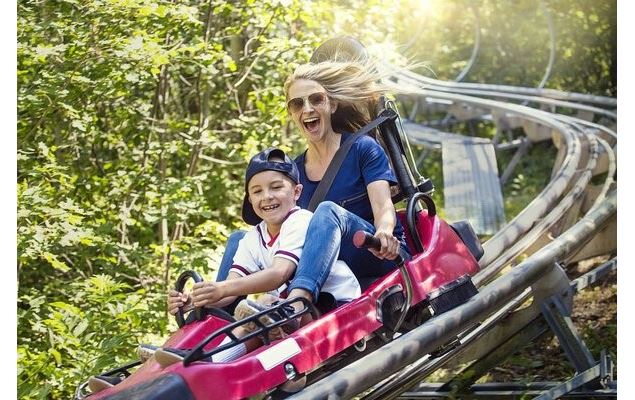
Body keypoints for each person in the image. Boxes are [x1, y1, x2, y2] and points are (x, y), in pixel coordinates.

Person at [159, 147, 360, 365]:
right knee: (257, 317)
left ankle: (213, 360)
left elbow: (279, 273)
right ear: (250, 200)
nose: (267, 197)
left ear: (296, 192)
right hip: (292, 309)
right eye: (257, 191)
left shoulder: (300, 220)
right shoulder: (253, 238)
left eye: (276, 187)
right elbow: (230, 287)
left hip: (334, 303)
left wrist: (222, 289)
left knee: (261, 309)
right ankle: (205, 361)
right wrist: (196, 300)